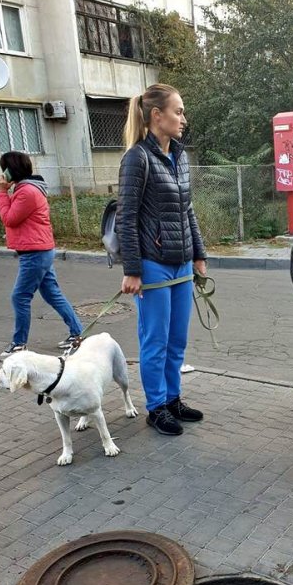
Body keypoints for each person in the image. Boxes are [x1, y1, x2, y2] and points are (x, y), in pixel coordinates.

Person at [116, 83, 207, 436]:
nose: (183, 118)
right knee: (155, 341)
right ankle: (156, 407)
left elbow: (188, 211)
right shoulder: (137, 158)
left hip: (181, 262)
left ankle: (172, 399)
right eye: (178, 111)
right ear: (157, 116)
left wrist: (198, 253)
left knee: (177, 341)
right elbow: (127, 217)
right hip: (153, 264)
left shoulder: (179, 155)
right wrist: (133, 270)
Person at [0, 152, 83, 358]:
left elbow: (9, 219)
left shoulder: (27, 192)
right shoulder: (27, 188)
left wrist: (1, 193)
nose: (2, 174)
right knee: (52, 293)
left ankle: (19, 344)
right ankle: (78, 334)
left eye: (4, 169)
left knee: (20, 297)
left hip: (35, 252)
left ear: (11, 170)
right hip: (38, 249)